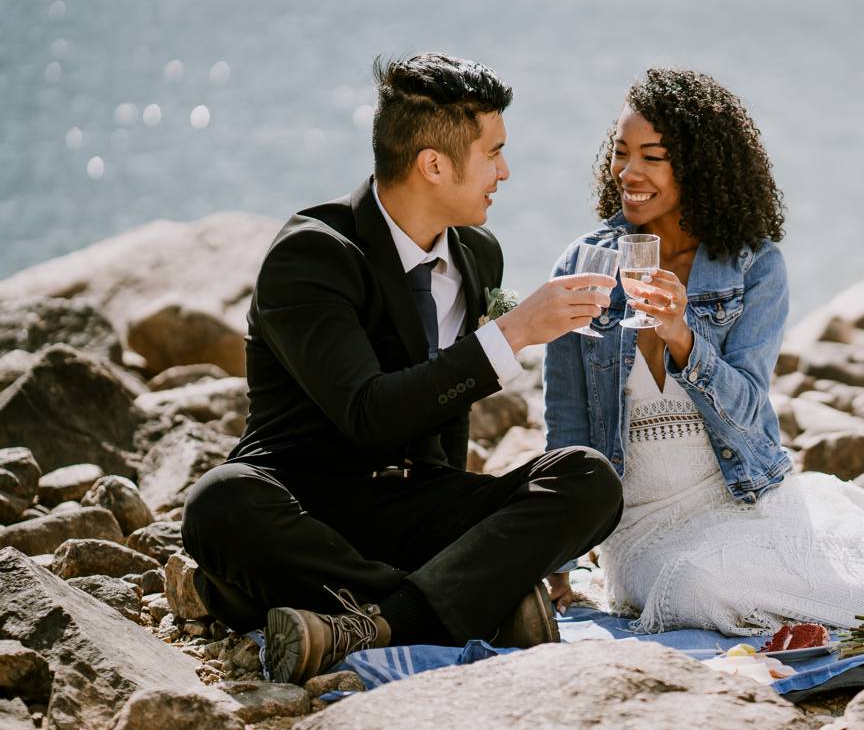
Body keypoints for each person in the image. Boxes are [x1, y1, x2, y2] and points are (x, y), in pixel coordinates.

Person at [182, 53, 624, 684]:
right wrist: (515, 332)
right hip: (307, 502)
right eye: (492, 152)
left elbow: (446, 420)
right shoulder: (312, 255)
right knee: (219, 502)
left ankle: (363, 620)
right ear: (434, 164)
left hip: (418, 505)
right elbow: (368, 413)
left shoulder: (478, 254)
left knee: (588, 479)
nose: (505, 171)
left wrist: (489, 527)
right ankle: (467, 607)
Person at [543, 68, 864, 636]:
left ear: (700, 167)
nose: (629, 173)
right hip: (643, 531)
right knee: (697, 587)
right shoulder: (584, 265)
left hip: (746, 500)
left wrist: (682, 336)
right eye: (622, 153)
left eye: (653, 157)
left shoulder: (755, 267)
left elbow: (749, 406)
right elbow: (566, 432)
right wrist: (555, 568)